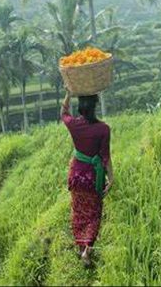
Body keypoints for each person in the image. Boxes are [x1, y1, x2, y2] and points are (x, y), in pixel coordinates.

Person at [60, 87, 113, 267]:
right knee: (94, 214)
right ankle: (87, 251)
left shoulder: (74, 125)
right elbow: (105, 157)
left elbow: (63, 113)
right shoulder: (104, 129)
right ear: (95, 107)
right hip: (92, 178)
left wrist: (68, 94)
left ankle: (80, 247)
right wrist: (111, 179)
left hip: (76, 176)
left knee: (79, 212)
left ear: (81, 108)